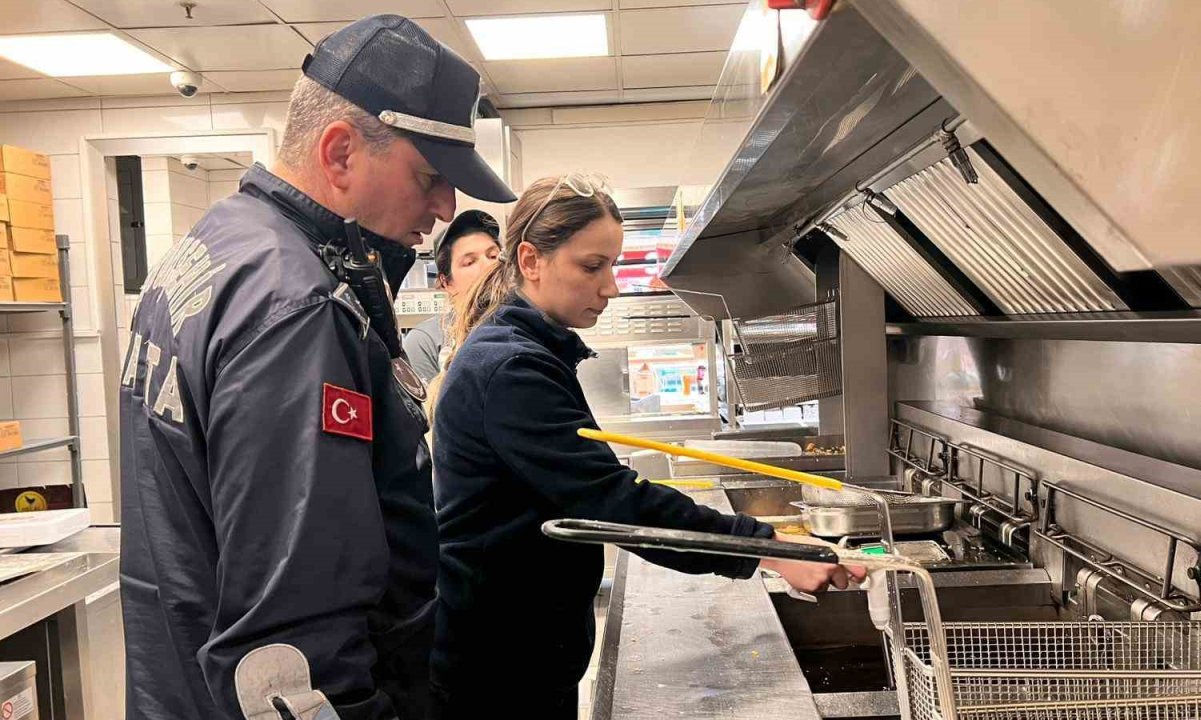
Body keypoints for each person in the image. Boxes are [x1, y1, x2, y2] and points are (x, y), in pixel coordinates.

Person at [118, 15, 515, 720]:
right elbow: (291, 649)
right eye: (429, 177)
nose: (446, 207)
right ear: (338, 153)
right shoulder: (298, 309)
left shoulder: (211, 250)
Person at [427, 174, 860, 717]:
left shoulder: (521, 351)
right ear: (531, 261)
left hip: (517, 650)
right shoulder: (513, 368)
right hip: (499, 668)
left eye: (613, 265)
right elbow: (614, 502)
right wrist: (768, 550)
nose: (610, 286)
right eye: (593, 266)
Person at [403, 209, 502, 384]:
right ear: (446, 282)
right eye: (469, 262)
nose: (489, 266)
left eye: (493, 256)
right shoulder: (425, 342)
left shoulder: (523, 324)